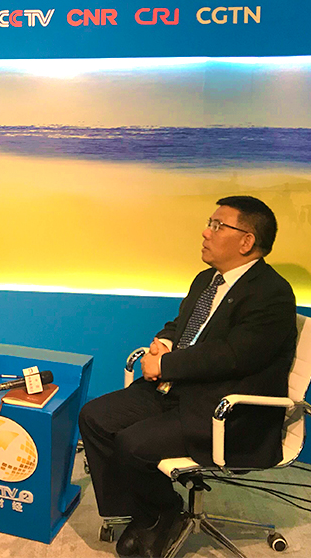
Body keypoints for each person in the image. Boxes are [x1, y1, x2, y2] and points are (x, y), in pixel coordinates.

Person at [78, 195, 297, 558]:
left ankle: (158, 513)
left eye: (217, 225)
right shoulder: (208, 280)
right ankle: (149, 514)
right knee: (95, 418)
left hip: (226, 410)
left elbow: (233, 355)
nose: (206, 232)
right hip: (181, 390)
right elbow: (182, 324)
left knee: (133, 444)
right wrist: (164, 342)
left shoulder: (271, 294)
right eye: (209, 224)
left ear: (246, 241)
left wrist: (165, 366)